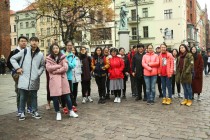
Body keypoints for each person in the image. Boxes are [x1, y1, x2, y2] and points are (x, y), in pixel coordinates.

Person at [10, 37, 45, 121]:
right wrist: (18, 68)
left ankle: (34, 111)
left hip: (34, 79)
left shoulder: (40, 54)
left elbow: (42, 66)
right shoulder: (24, 51)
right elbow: (12, 59)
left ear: (38, 43)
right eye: (33, 41)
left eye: (36, 41)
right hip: (24, 77)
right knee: (22, 96)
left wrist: (38, 73)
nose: (34, 43)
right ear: (30, 42)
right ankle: (22, 112)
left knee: (34, 96)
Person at [46, 43, 78, 120]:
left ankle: (71, 111)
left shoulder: (63, 57)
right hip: (54, 80)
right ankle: (58, 113)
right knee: (55, 97)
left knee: (67, 96)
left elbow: (65, 68)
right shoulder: (48, 58)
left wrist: (56, 71)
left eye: (57, 48)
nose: (55, 50)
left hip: (63, 79)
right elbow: (49, 68)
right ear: (51, 49)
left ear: (59, 49)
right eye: (54, 48)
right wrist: (59, 66)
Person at [7, 36, 32, 116]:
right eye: (22, 41)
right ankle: (20, 109)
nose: (24, 42)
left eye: (25, 41)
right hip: (18, 75)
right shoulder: (14, 51)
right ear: (18, 42)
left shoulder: (29, 51)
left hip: (27, 75)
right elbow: (8, 63)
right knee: (19, 92)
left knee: (29, 91)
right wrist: (15, 70)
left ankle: (29, 108)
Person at [61, 41, 77, 113]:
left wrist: (67, 62)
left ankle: (72, 105)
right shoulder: (61, 53)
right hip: (61, 76)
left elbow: (73, 65)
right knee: (62, 92)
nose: (69, 47)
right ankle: (64, 106)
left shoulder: (73, 56)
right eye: (68, 45)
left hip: (69, 77)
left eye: (71, 45)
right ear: (65, 46)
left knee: (70, 91)